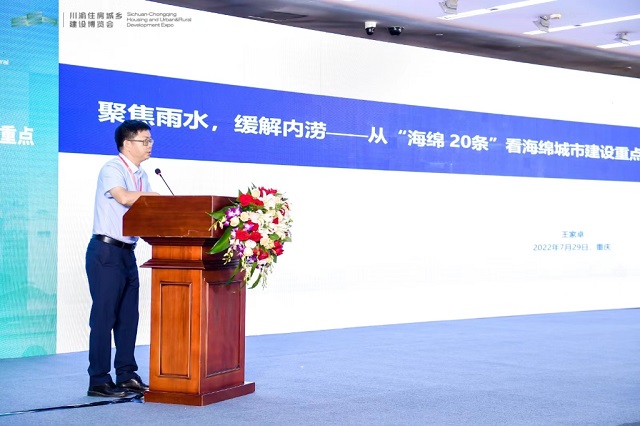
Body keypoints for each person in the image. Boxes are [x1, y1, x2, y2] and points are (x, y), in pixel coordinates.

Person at [85, 119, 159, 397]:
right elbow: (124, 197)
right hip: (106, 252)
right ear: (127, 144)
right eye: (144, 140)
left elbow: (144, 214)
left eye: (150, 140)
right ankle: (99, 380)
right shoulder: (112, 168)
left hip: (128, 253)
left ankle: (127, 375)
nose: (150, 145)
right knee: (104, 317)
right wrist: (153, 197)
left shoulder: (142, 175)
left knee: (129, 318)